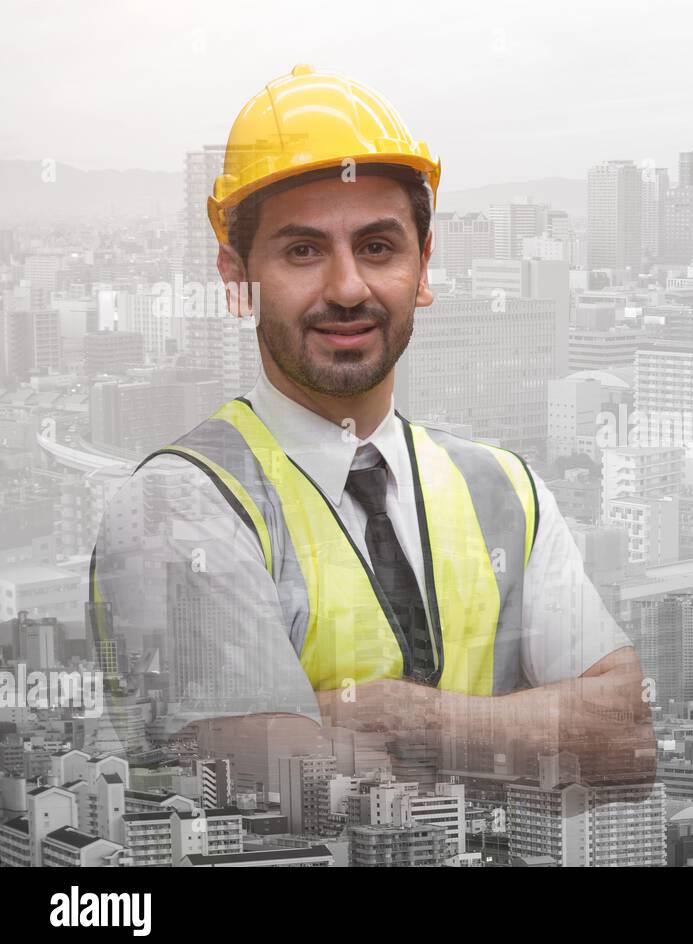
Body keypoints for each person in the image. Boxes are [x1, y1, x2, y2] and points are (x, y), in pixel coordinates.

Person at [89, 64, 654, 787]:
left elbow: (629, 739)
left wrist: (394, 717)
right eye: (303, 251)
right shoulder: (177, 506)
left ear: (423, 270)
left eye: (379, 248)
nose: (348, 287)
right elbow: (273, 786)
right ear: (237, 281)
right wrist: (521, 726)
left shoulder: (507, 492)